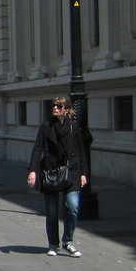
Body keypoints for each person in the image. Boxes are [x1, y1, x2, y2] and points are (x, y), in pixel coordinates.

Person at [27, 96, 88, 258]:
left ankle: (68, 241)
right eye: (54, 106)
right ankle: (53, 244)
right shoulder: (46, 126)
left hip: (71, 173)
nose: (55, 108)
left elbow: (81, 151)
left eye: (59, 106)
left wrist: (83, 173)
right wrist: (33, 170)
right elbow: (37, 148)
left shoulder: (73, 127)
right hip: (50, 173)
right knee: (52, 212)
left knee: (73, 206)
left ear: (66, 110)